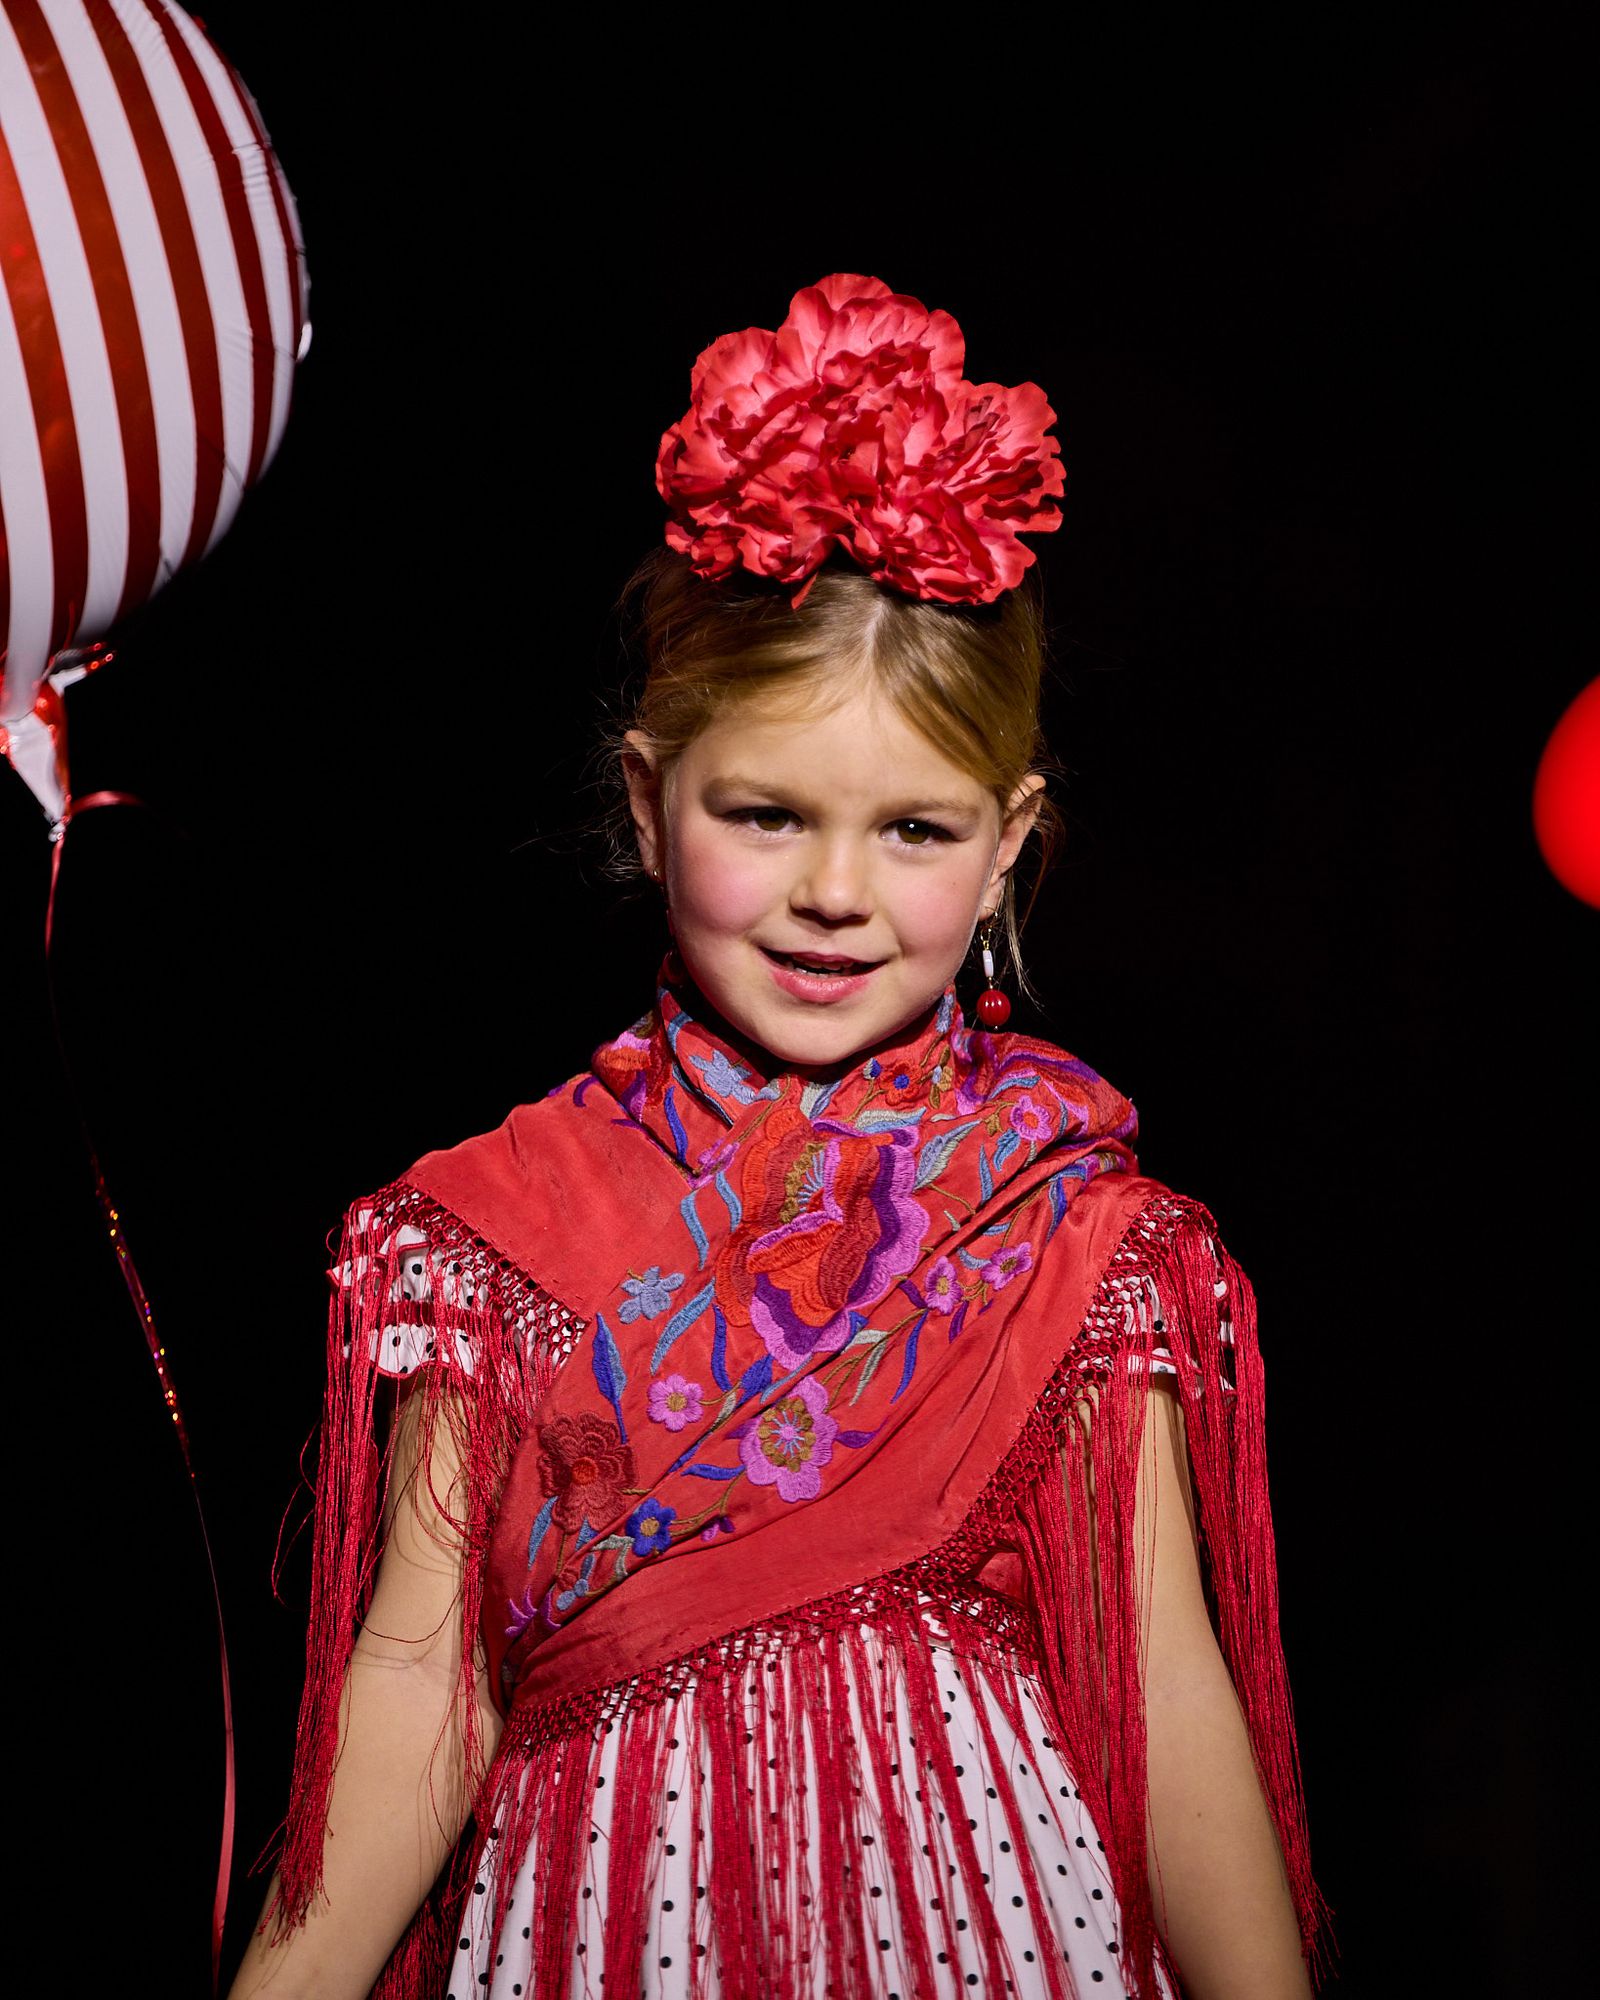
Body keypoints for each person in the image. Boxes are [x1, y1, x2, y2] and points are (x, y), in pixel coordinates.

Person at [228, 273, 1328, 2000]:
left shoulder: (1071, 1226)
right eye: (765, 813)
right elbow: (416, 1683)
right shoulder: (504, 1223)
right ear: (647, 795)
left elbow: (1164, 1681)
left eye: (914, 828)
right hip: (612, 1933)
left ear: (1010, 841)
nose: (834, 891)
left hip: (986, 1938)